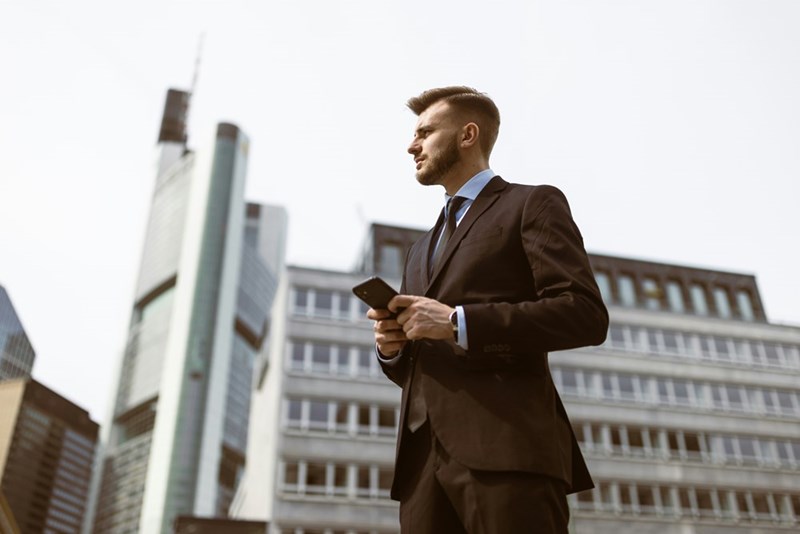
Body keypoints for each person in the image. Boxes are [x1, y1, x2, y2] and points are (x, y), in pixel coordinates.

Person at [367, 86, 609, 534]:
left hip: (508, 452)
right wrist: (392, 348)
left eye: (424, 132)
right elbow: (415, 367)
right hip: (422, 471)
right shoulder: (418, 250)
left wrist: (458, 323)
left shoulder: (531, 203)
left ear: (467, 134)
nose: (411, 144)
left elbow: (584, 313)